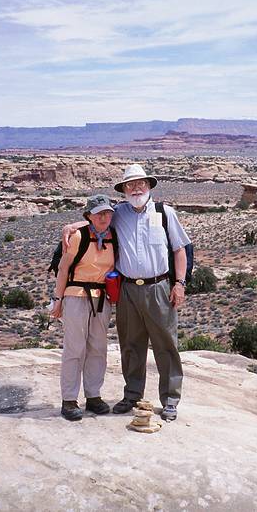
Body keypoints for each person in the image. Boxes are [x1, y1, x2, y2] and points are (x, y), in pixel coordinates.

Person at [63, 164, 190, 421]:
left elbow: (179, 250)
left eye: (140, 183)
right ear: (123, 190)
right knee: (131, 345)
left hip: (159, 288)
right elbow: (97, 221)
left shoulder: (165, 213)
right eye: (130, 185)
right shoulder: (118, 213)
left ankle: (170, 399)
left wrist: (180, 284)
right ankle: (132, 395)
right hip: (128, 289)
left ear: (149, 185)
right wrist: (72, 226)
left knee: (166, 345)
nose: (136, 188)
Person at [51, 194, 116, 421]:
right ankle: (69, 399)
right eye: (99, 213)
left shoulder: (113, 235)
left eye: (108, 213)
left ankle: (93, 395)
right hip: (75, 296)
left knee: (98, 348)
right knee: (75, 348)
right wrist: (57, 300)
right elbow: (63, 269)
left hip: (101, 298)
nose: (104, 217)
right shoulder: (78, 236)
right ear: (89, 215)